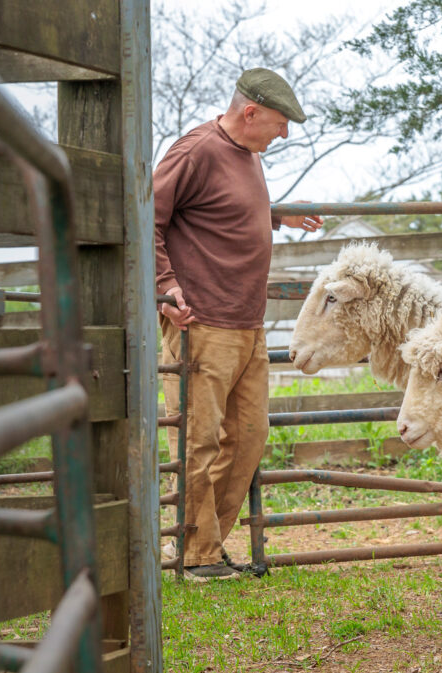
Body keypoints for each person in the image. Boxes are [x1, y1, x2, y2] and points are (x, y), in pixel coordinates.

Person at [154, 68, 323, 580]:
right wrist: (164, 287)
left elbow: (222, 209)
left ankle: (206, 544)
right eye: (279, 123)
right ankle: (195, 553)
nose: (284, 134)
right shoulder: (193, 151)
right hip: (201, 322)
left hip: (247, 324)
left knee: (249, 435)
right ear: (250, 112)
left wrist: (276, 217)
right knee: (197, 439)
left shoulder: (247, 155)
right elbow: (145, 219)